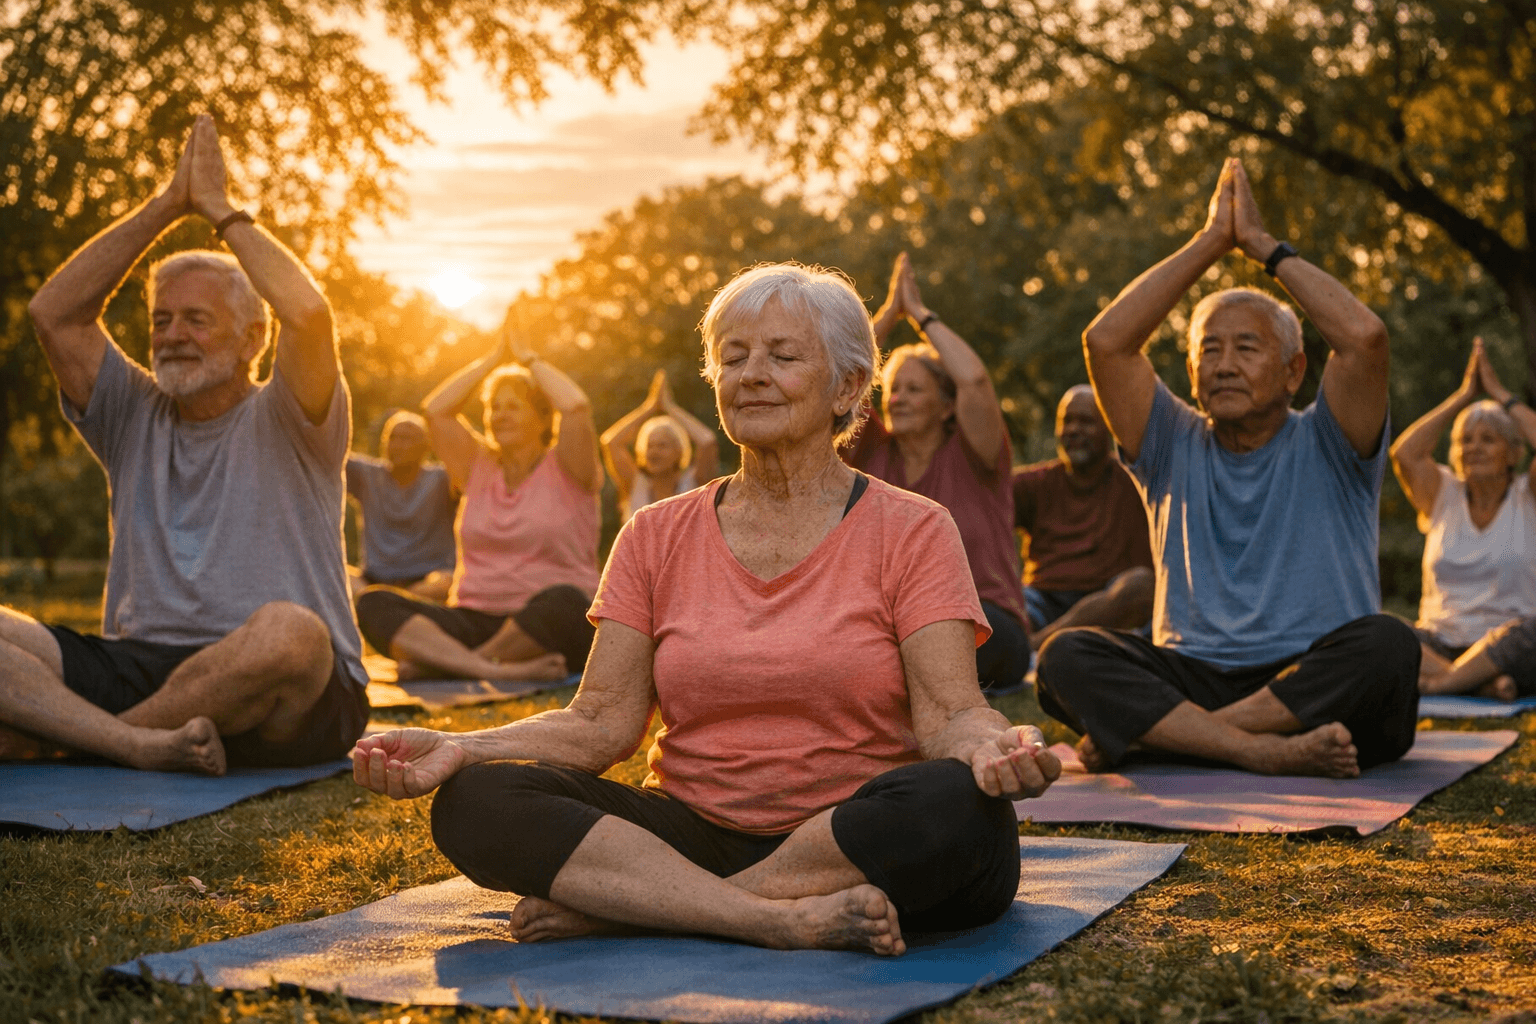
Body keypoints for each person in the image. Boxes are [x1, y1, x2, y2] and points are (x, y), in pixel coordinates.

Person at [352, 263, 1061, 956]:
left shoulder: (914, 527)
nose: (750, 373)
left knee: (960, 804)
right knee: (476, 800)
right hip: (693, 830)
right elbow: (600, 722)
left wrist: (990, 748)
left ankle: (646, 910)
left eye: (782, 355)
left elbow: (948, 713)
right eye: (732, 357)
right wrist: (463, 747)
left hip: (858, 829)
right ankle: (762, 916)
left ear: (847, 387)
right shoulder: (655, 532)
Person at [1, 115, 369, 774]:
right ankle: (135, 744)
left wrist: (221, 211)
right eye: (161, 320)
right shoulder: (131, 410)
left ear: (252, 339)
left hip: (280, 687)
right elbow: (52, 313)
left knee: (292, 633)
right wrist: (169, 206)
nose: (172, 335)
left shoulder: (291, 413)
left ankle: (68, 739)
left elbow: (309, 314)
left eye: (197, 320)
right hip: (140, 662)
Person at [1034, 158, 1419, 779]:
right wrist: (1212, 240)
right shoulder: (1170, 442)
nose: (1224, 363)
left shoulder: (1332, 436)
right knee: (1065, 655)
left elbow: (1364, 338)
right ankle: (1254, 749)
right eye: (1208, 349)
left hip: (1312, 678)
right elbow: (1106, 342)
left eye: (1247, 347)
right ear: (1191, 375)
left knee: (1389, 645)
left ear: (1295, 371)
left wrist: (1262, 246)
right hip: (1197, 675)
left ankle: (1176, 739)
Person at [352, 323, 601, 684]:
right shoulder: (477, 465)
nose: (500, 415)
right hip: (474, 617)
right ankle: (487, 668)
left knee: (566, 603)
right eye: (493, 407)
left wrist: (529, 360)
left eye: (513, 407)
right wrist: (490, 361)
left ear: (544, 418)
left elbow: (576, 406)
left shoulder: (569, 466)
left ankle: (445, 665)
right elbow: (435, 410)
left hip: (547, 622)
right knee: (374, 603)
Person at [847, 252, 1031, 693]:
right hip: (890, 623)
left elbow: (975, 382)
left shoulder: (975, 453)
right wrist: (888, 315)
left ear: (947, 406)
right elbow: (838, 379)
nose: (898, 399)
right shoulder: (872, 450)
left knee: (903, 651)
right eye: (893, 390)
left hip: (984, 622)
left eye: (914, 389)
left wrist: (921, 316)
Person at [1390, 337, 1536, 701]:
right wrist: (1463, 397)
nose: (1473, 448)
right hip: (1438, 644)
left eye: (1488, 439)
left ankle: (1444, 685)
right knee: (1378, 629)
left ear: (1513, 453)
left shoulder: (1527, 495)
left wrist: (1500, 394)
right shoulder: (1443, 493)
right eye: (1465, 440)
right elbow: (1404, 454)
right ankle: (1477, 683)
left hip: (1510, 648)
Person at [1013, 385, 1154, 648]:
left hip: (1110, 602)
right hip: (1043, 599)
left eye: (1086, 421)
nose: (1074, 430)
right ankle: (1041, 644)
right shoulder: (1033, 484)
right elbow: (982, 515)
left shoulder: (1136, 479)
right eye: (1067, 421)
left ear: (1109, 428)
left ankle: (1034, 647)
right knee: (1004, 608)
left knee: (1141, 584)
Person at [345, 411, 457, 600]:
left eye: (407, 438)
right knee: (333, 571)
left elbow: (471, 464)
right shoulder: (367, 476)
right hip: (372, 581)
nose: (397, 445)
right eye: (392, 437)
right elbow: (327, 453)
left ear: (425, 447)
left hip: (427, 580)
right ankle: (387, 601)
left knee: (448, 580)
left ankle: (393, 602)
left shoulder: (441, 480)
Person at [601, 368, 719, 523]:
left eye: (662, 445)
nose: (654, 451)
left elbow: (707, 441)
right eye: (649, 446)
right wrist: (649, 407)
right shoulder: (635, 485)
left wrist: (670, 407)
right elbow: (611, 442)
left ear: (679, 452)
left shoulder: (696, 485)